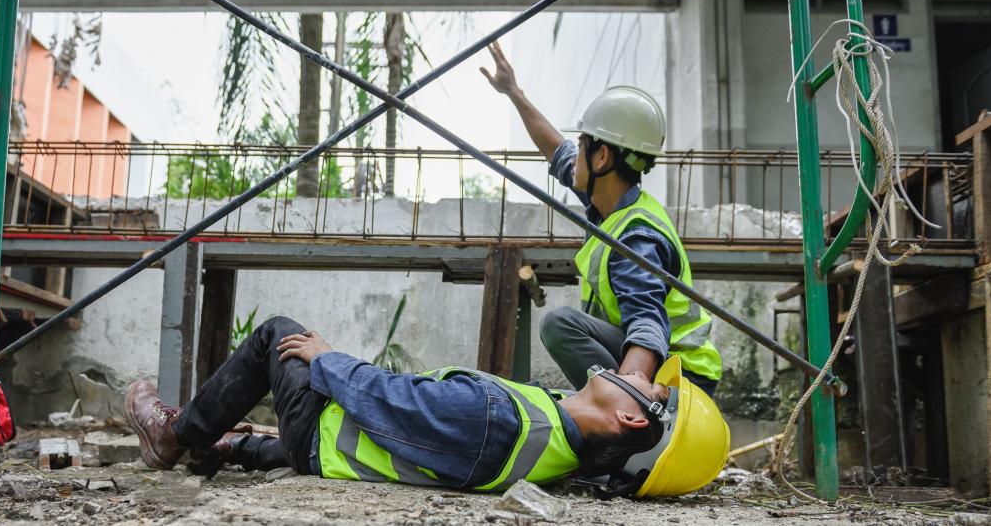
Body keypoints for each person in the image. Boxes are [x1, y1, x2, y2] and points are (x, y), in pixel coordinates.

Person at [125, 316, 729, 497]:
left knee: (276, 337)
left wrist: (327, 358)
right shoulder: (561, 449)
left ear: (630, 419)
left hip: (323, 438)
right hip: (351, 453)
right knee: (290, 429)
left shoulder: (505, 422)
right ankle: (230, 447)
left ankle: (177, 436)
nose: (636, 373)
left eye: (650, 389)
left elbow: (392, 403)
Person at [480, 42, 722, 395]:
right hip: (664, 366)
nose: (572, 155)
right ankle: (614, 400)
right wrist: (514, 92)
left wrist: (631, 388)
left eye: (581, 146)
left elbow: (647, 319)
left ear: (602, 157)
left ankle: (621, 407)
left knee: (559, 324)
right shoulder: (608, 202)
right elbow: (556, 151)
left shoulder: (635, 234)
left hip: (678, 379)